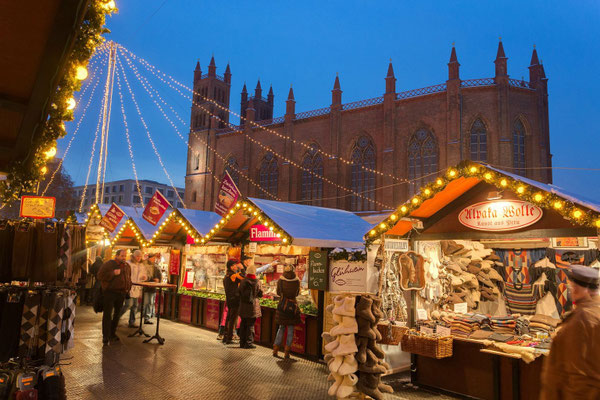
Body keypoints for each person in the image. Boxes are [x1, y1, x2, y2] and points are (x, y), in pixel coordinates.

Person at [540, 265, 600, 399]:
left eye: (573, 287)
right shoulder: (593, 312)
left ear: (580, 289)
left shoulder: (582, 319)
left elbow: (573, 372)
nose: (571, 290)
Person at [97, 249, 132, 345]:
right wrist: (113, 273)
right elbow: (100, 276)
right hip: (110, 293)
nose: (124, 257)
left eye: (125, 256)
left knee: (117, 314)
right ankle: (105, 336)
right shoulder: (109, 264)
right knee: (107, 314)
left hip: (121, 293)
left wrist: (128, 288)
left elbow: (128, 278)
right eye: (122, 256)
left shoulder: (127, 266)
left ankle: (112, 334)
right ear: (116, 256)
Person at [273, 264, 301, 358]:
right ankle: (286, 352)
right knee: (291, 329)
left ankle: (275, 350)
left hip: (283, 305)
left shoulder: (281, 280)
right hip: (292, 306)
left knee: (281, 328)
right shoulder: (297, 280)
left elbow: (278, 292)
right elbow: (297, 293)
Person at [120, 250, 147, 328]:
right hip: (130, 287)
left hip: (137, 288)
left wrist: (144, 277)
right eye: (137, 256)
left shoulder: (141, 265)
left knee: (135, 305)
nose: (138, 258)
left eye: (140, 256)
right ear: (134, 256)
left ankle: (132, 322)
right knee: (128, 305)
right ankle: (116, 317)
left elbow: (144, 274)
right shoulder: (129, 264)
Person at [238, 263, 262, 349]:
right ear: (254, 272)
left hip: (243, 306)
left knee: (243, 323)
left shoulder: (243, 281)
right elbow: (260, 294)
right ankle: (248, 343)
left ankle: (242, 342)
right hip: (253, 306)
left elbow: (239, 292)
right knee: (250, 325)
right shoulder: (257, 282)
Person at [222, 260, 243, 344]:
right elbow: (243, 277)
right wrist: (242, 269)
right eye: (234, 265)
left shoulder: (226, 275)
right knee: (232, 319)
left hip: (229, 299)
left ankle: (225, 336)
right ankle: (229, 338)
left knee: (229, 318)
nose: (236, 266)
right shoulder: (233, 275)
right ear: (231, 267)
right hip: (234, 299)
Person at [142, 253, 162, 324]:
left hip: (153, 287)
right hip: (147, 287)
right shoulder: (145, 266)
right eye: (153, 258)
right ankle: (145, 316)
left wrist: (158, 280)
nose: (154, 259)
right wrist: (153, 280)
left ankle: (147, 317)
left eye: (154, 258)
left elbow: (159, 275)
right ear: (149, 258)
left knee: (150, 302)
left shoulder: (156, 266)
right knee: (146, 302)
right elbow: (144, 277)